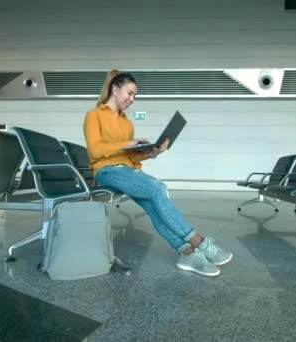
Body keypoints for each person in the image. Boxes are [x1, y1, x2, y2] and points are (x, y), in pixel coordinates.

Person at [83, 70, 232, 277]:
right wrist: (129, 143)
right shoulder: (94, 115)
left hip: (126, 171)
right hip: (106, 171)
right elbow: (95, 151)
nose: (132, 99)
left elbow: (131, 158)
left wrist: (153, 153)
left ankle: (187, 253)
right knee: (158, 188)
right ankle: (200, 242)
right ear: (115, 89)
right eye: (130, 93)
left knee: (154, 205)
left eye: (135, 95)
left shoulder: (127, 122)